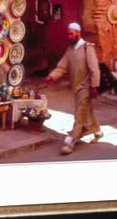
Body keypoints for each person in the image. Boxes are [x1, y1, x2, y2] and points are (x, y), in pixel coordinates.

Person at [44, 22, 103, 155]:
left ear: (78, 33)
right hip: (76, 87)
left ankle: (70, 142)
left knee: (79, 113)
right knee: (86, 111)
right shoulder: (70, 50)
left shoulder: (87, 48)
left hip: (86, 87)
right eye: (68, 34)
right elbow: (62, 67)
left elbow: (94, 69)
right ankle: (98, 131)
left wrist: (94, 86)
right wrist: (51, 76)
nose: (69, 36)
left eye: (71, 34)